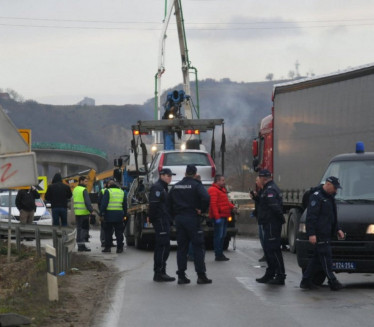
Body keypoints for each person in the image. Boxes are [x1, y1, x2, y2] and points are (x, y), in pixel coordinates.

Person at [168, 164, 212, 285]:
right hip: (192, 218)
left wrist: (174, 216)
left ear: (185, 173)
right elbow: (206, 198)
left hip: (180, 219)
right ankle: (201, 276)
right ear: (195, 173)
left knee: (182, 248)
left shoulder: (176, 186)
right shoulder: (196, 185)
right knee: (198, 247)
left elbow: (169, 202)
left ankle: (181, 276)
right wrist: (202, 210)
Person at [300, 176, 345, 291]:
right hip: (319, 233)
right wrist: (311, 234)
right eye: (335, 188)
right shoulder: (317, 197)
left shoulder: (329, 197)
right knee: (326, 257)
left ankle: (305, 281)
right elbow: (311, 217)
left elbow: (332, 216)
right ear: (328, 184)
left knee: (316, 258)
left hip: (326, 232)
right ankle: (333, 281)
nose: (336, 191)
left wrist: (337, 229)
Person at [255, 169, 286, 285]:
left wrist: (281, 219)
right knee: (269, 250)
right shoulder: (266, 189)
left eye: (259, 178)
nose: (258, 180)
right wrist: (256, 198)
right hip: (269, 223)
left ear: (264, 178)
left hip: (272, 223)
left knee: (273, 250)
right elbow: (265, 204)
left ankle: (280, 275)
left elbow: (274, 206)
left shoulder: (270, 189)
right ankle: (271, 273)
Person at [149, 168, 176, 282]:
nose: (170, 178)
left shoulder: (164, 187)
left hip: (164, 219)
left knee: (164, 246)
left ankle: (161, 271)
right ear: (162, 176)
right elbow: (154, 205)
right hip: (160, 219)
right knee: (163, 246)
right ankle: (159, 272)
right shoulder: (157, 188)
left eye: (171, 176)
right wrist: (155, 219)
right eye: (168, 175)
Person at [208, 174, 235, 261]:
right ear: (217, 181)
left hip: (224, 215)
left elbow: (225, 202)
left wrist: (232, 206)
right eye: (222, 180)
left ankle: (220, 253)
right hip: (219, 216)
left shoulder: (222, 189)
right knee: (218, 236)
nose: (224, 182)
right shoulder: (213, 190)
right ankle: (218, 254)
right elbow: (213, 204)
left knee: (222, 236)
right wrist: (217, 217)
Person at [100, 180, 127, 253]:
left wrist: (101, 213)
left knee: (108, 232)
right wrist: (125, 215)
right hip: (119, 215)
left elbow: (104, 204)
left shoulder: (108, 191)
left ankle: (107, 248)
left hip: (109, 215)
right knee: (119, 232)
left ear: (109, 185)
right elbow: (125, 205)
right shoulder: (122, 192)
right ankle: (119, 248)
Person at [73, 176, 94, 252]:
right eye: (85, 181)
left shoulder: (75, 189)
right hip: (84, 213)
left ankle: (79, 245)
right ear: (81, 181)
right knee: (84, 229)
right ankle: (82, 246)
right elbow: (87, 202)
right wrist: (91, 210)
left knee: (79, 229)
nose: (87, 183)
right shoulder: (84, 190)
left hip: (77, 212)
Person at [250, 176, 265, 262]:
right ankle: (265, 254)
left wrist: (256, 197)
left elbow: (263, 203)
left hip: (263, 218)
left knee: (264, 237)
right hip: (259, 217)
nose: (256, 182)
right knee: (261, 237)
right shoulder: (259, 191)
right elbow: (259, 204)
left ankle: (267, 255)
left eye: (257, 180)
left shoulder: (264, 191)